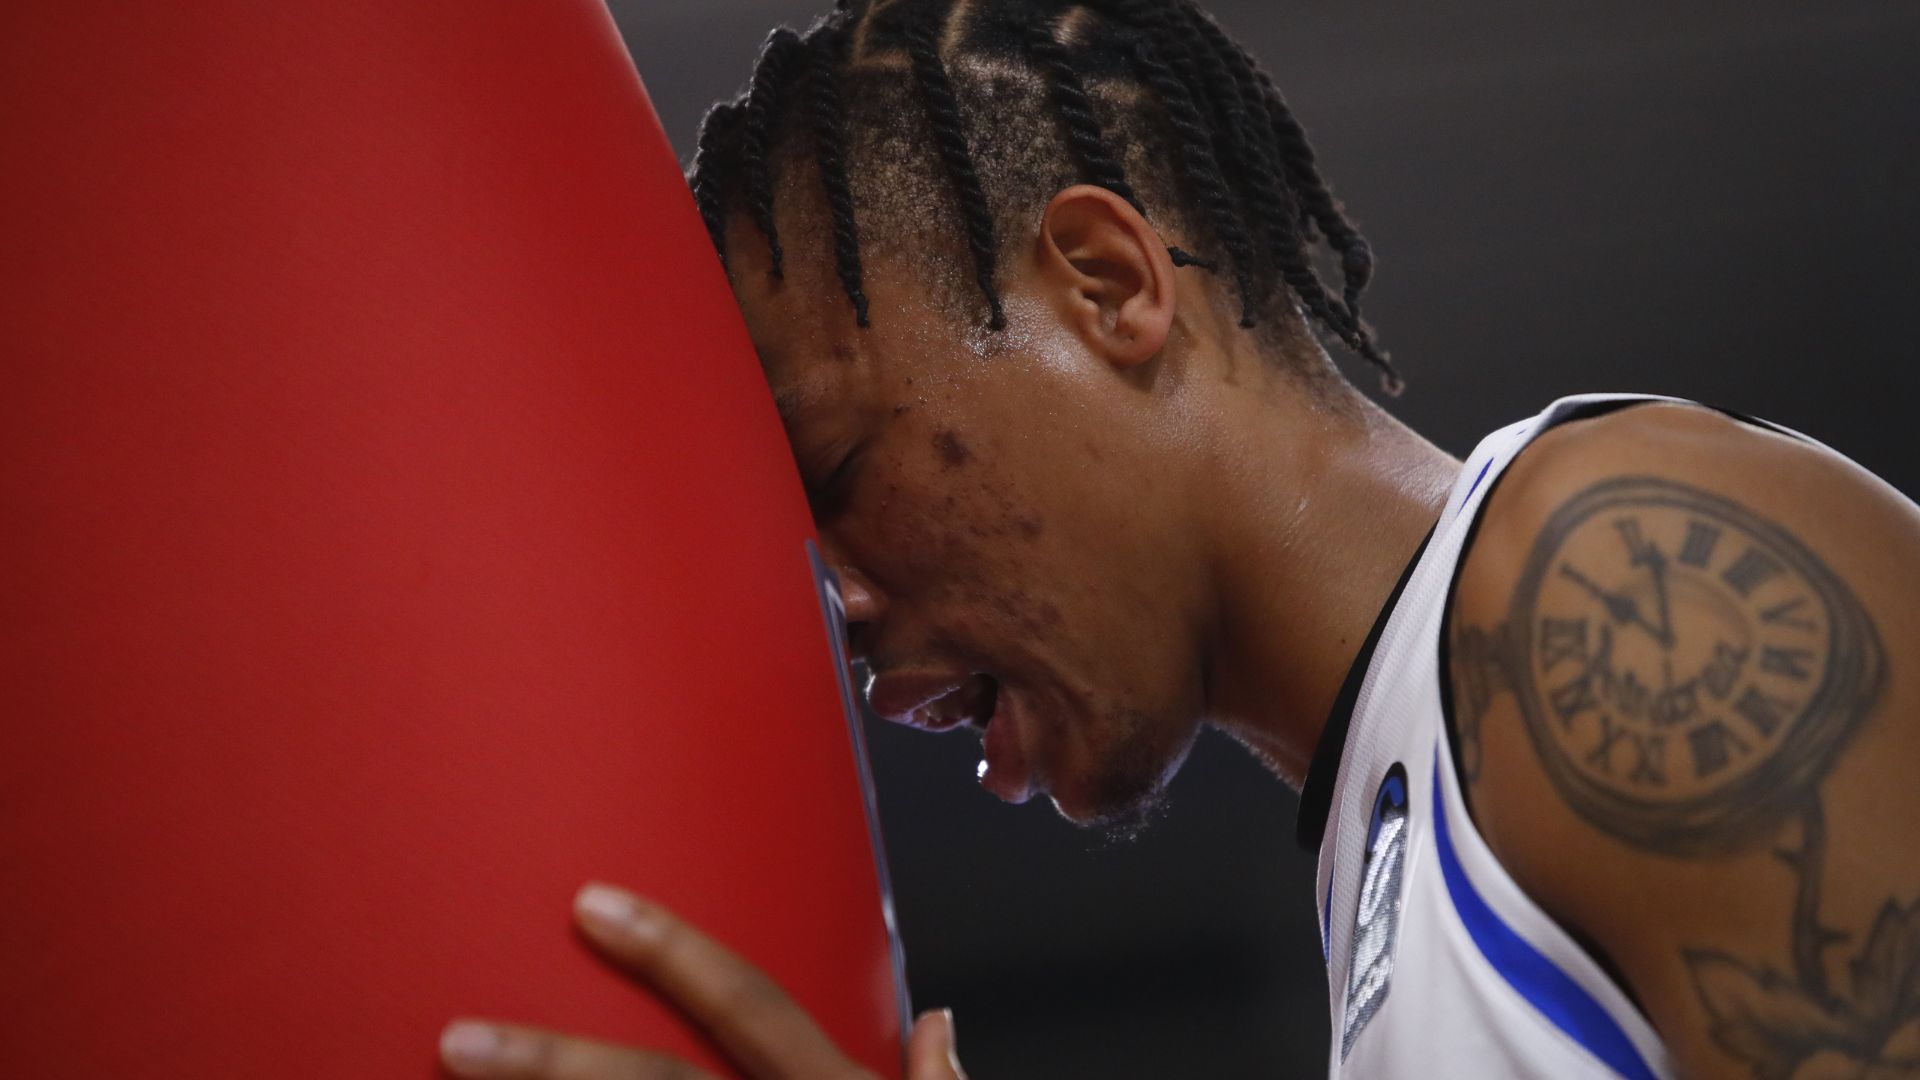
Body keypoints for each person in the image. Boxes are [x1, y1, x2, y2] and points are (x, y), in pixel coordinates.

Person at [435, 1, 1920, 1076]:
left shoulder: (1615, 574)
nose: (836, 599)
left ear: (1106, 283)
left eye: (838, 467)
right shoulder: (1404, 844)